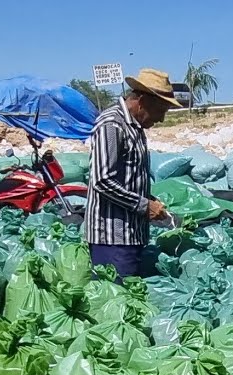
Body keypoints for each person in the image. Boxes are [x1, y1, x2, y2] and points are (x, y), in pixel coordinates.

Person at [84, 67, 182, 277]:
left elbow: (128, 177)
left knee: (130, 300)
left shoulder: (135, 128)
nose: (162, 119)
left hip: (131, 234)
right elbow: (102, 180)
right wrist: (144, 206)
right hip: (112, 237)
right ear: (144, 101)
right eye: (161, 110)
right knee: (117, 301)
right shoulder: (112, 124)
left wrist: (150, 200)